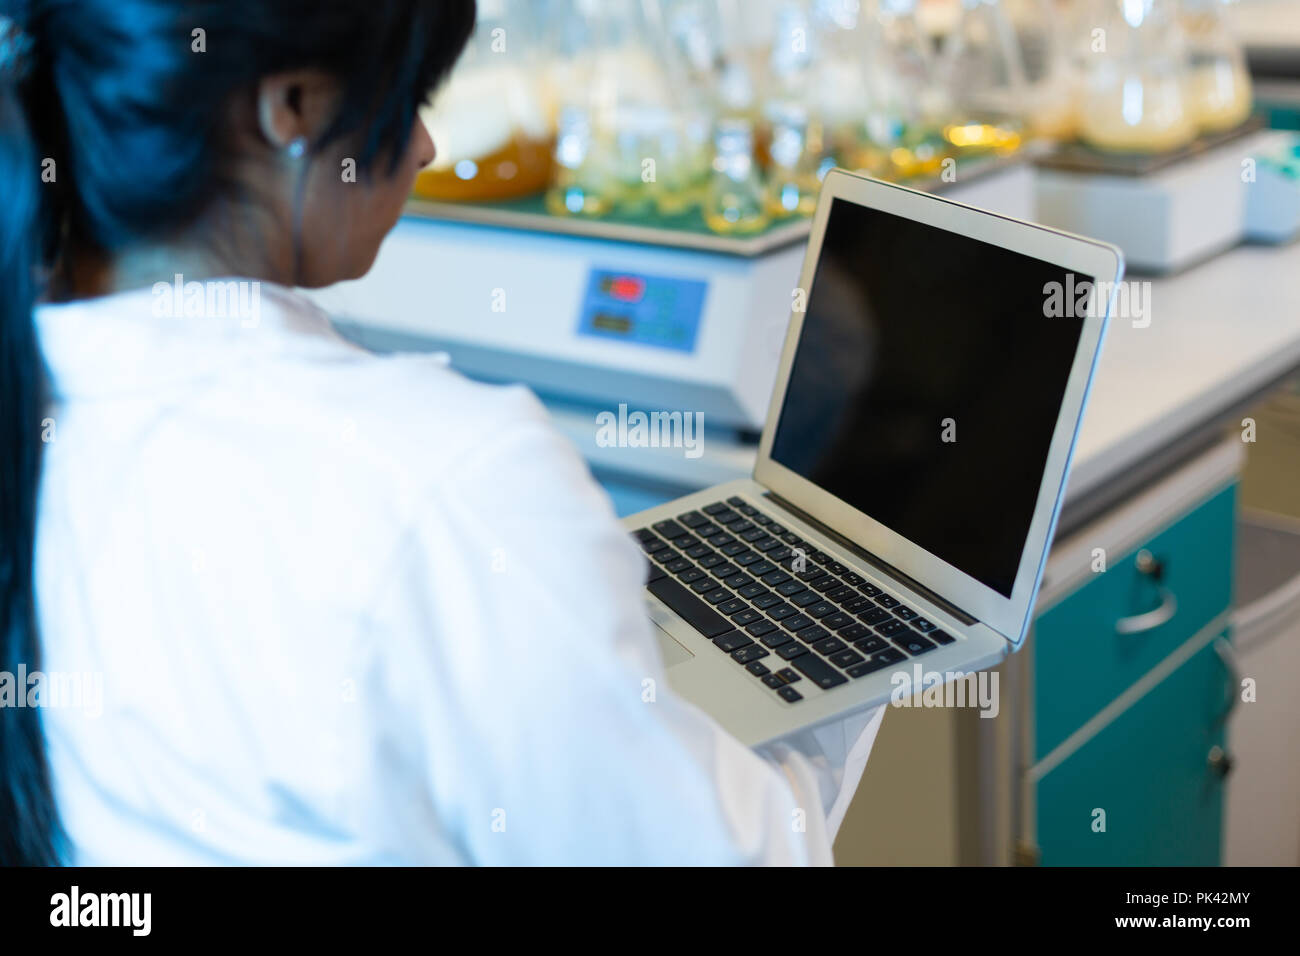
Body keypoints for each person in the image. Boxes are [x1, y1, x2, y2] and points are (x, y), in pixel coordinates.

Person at [0, 0, 884, 866]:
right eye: (408, 98)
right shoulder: (446, 479)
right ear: (292, 108)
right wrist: (854, 655)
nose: (423, 147)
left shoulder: (38, 401)